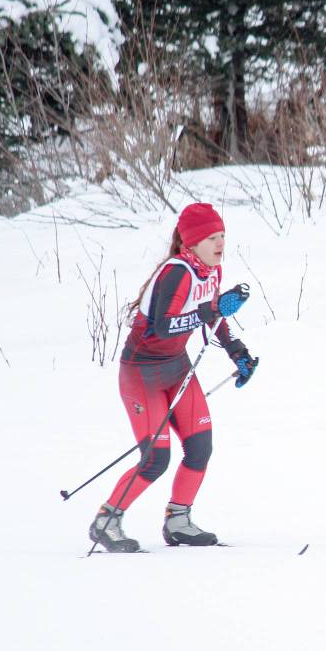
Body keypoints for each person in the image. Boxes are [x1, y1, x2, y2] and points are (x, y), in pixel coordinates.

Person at [88, 203, 259, 552]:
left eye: (222, 236)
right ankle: (107, 520)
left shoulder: (211, 271)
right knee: (156, 459)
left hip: (177, 368)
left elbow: (212, 316)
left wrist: (237, 351)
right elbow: (166, 327)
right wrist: (211, 309)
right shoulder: (177, 272)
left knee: (200, 446)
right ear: (191, 242)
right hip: (142, 374)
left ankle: (178, 521)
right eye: (211, 238)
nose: (220, 243)